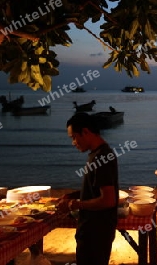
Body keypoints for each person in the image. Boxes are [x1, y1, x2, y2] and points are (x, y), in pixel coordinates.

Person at [58, 113, 119, 265]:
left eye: (74, 137)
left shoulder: (102, 157)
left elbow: (108, 200)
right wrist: (73, 195)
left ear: (86, 132)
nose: (73, 142)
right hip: (93, 230)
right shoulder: (98, 154)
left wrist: (76, 204)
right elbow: (96, 189)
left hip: (96, 232)